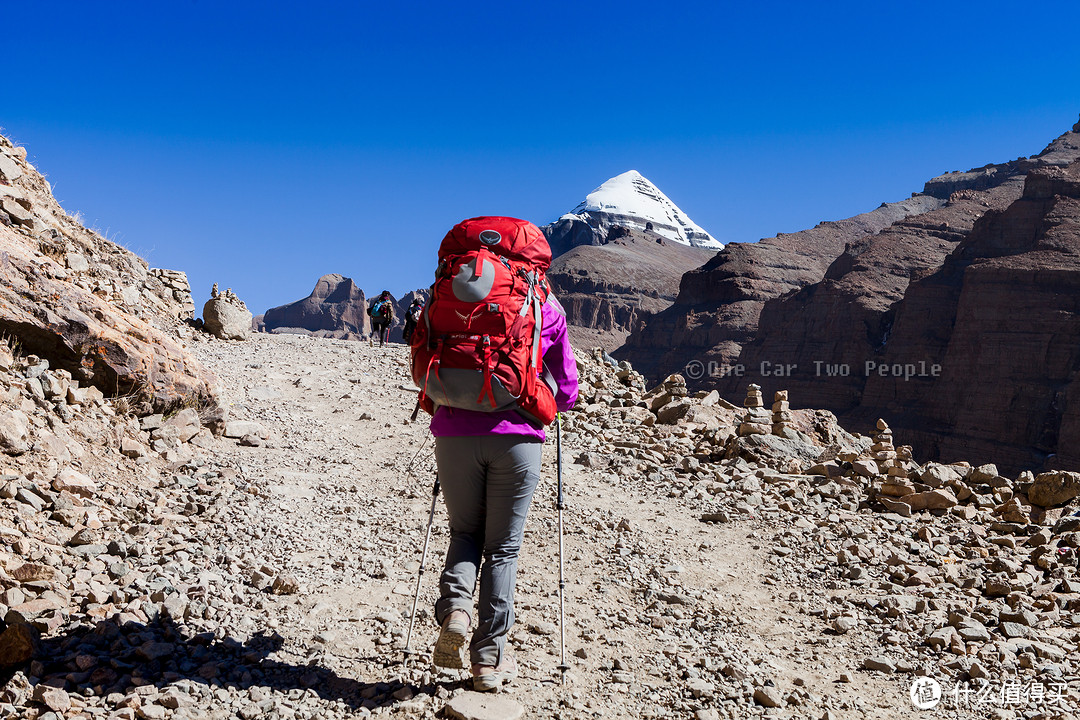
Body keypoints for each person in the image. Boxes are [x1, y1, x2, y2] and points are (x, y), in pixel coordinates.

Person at [429, 292, 578, 691]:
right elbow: (566, 390)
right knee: (503, 549)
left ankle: (456, 611)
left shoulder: (454, 292)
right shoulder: (546, 306)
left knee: (463, 533)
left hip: (455, 432)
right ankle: (487, 664)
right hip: (518, 438)